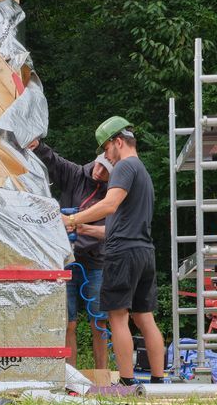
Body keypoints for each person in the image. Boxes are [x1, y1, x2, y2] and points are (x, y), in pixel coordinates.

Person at [62, 117, 167, 384]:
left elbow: (109, 205)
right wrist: (87, 228)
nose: (106, 156)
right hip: (145, 251)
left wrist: (74, 220)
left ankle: (126, 382)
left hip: (123, 253)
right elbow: (122, 220)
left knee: (117, 317)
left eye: (106, 149)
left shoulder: (123, 167)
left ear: (118, 142)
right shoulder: (143, 172)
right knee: (145, 318)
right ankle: (157, 380)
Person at [28, 137, 110, 372]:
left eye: (106, 170)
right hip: (65, 260)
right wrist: (38, 146)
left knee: (99, 321)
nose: (99, 171)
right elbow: (54, 161)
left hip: (96, 262)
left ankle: (102, 374)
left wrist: (80, 226)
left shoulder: (114, 192)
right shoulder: (76, 175)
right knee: (67, 322)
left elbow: (114, 230)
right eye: (99, 164)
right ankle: (70, 376)